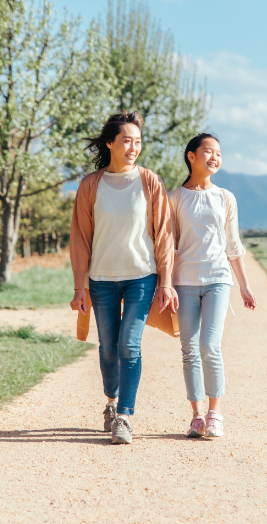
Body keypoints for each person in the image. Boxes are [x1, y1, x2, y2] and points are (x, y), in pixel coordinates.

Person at [70, 111, 177, 445]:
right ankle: (111, 403)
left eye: (138, 142)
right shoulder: (91, 185)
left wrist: (166, 280)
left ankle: (125, 418)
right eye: (127, 141)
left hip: (141, 276)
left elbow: (164, 235)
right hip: (101, 277)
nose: (133, 147)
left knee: (129, 345)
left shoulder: (150, 182)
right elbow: (80, 238)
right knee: (108, 349)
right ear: (110, 143)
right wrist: (79, 286)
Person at [169, 133, 257, 438]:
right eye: (208, 152)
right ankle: (196, 415)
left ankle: (215, 413)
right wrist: (165, 285)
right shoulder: (175, 198)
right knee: (189, 348)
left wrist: (244, 286)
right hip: (185, 282)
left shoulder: (225, 198)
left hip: (219, 279)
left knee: (209, 344)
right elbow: (169, 245)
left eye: (219, 153)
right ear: (191, 156)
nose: (215, 158)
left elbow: (233, 244)